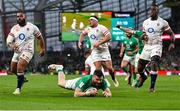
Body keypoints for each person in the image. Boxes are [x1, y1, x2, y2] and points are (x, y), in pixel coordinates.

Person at [136, 3, 175, 92]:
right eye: (152, 9)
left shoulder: (163, 22)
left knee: (154, 63)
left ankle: (152, 87)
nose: (153, 11)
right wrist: (143, 36)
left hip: (157, 45)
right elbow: (144, 34)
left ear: (158, 11)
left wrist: (172, 43)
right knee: (139, 68)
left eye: (155, 10)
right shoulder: (145, 22)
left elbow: (171, 34)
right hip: (147, 46)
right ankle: (143, 77)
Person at [6, 10, 45, 95]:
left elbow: (40, 38)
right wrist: (11, 45)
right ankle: (22, 78)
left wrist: (42, 48)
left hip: (28, 50)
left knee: (20, 67)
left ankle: (18, 89)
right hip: (17, 51)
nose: (19, 18)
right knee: (13, 70)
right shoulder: (14, 28)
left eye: (21, 16)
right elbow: (8, 40)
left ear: (25, 16)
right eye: (17, 16)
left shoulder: (32, 27)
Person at [78, 15, 119, 87]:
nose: (89, 21)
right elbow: (82, 34)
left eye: (91, 20)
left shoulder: (102, 28)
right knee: (98, 69)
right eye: (89, 20)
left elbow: (109, 37)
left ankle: (113, 78)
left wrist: (99, 43)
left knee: (110, 68)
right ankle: (100, 84)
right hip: (95, 51)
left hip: (104, 50)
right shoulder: (88, 29)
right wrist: (79, 42)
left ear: (95, 21)